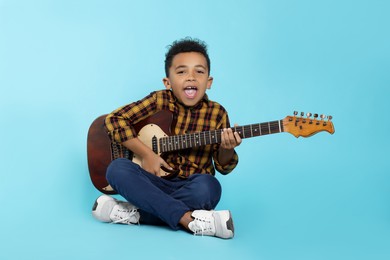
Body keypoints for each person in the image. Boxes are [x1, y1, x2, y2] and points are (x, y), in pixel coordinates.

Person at [91, 38, 242, 239]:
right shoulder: (159, 101)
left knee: (210, 187)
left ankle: (134, 213)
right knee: (117, 169)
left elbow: (223, 166)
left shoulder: (217, 113)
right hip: (152, 182)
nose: (191, 77)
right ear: (167, 82)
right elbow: (114, 120)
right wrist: (146, 154)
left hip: (190, 186)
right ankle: (190, 220)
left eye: (199, 71)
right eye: (181, 72)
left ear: (209, 82)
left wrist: (227, 148)